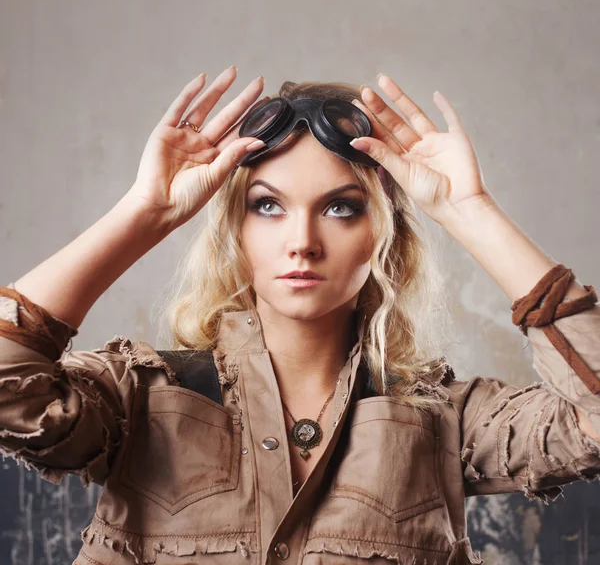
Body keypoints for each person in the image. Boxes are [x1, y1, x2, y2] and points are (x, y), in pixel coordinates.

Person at [0, 64, 599, 565]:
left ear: (383, 235)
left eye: (341, 208)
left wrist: (470, 211)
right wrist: (144, 213)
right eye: (268, 207)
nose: (302, 242)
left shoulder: (448, 421)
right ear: (234, 230)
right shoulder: (137, 398)